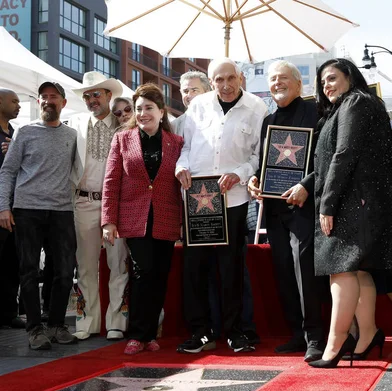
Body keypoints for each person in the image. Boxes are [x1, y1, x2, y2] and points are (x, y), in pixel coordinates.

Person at [308, 58, 392, 368]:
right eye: (322, 82)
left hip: (354, 200)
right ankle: (368, 334)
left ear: (350, 77)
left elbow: (345, 154)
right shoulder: (351, 105)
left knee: (340, 269)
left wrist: (327, 205)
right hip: (360, 198)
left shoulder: (354, 101)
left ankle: (336, 341)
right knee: (360, 269)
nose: (326, 85)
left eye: (332, 78)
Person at [176, 58, 268, 353]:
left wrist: (240, 174)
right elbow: (186, 148)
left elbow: (258, 156)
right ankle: (200, 332)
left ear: (241, 77)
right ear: (211, 81)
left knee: (230, 270)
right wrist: (181, 166)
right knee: (195, 269)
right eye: (219, 80)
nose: (226, 86)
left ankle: (234, 331)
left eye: (231, 78)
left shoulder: (257, 109)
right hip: (198, 198)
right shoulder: (198, 105)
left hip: (234, 197)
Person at [247, 60, 327, 362]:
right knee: (283, 269)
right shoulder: (268, 121)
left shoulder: (315, 111)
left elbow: (324, 157)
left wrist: (306, 185)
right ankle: (297, 333)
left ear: (298, 83)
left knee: (303, 268)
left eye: (283, 78)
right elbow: (265, 161)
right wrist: (255, 179)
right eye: (272, 79)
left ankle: (315, 336)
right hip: (276, 208)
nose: (277, 84)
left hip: (304, 206)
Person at [102, 83, 183, 355]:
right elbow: (111, 180)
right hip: (133, 218)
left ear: (162, 111)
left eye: (149, 108)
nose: (143, 113)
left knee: (160, 275)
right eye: (139, 109)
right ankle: (137, 334)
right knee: (142, 271)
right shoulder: (122, 139)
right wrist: (108, 221)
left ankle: (151, 335)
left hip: (167, 217)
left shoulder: (176, 143)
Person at [0, 82, 78, 349]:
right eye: (43, 97)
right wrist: (3, 207)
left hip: (62, 211)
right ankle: (35, 329)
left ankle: (56, 324)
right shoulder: (25, 132)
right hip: (27, 210)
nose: (47, 101)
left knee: (65, 272)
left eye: (53, 97)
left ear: (63, 103)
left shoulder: (72, 135)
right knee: (29, 272)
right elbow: (8, 171)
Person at [70, 71, 129, 341]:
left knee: (118, 264)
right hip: (83, 201)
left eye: (97, 94)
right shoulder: (76, 124)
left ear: (108, 95)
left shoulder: (123, 125)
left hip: (116, 206)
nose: (92, 99)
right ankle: (87, 322)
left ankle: (116, 321)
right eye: (87, 96)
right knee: (85, 266)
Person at [0, 88, 25, 330]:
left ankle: (8, 312)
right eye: (14, 101)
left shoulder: (15, 134)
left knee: (11, 263)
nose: (19, 105)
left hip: (14, 209)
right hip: (1, 208)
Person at [172, 71, 212, 136]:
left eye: (194, 90)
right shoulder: (174, 126)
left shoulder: (218, 119)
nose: (189, 95)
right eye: (185, 91)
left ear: (206, 91)